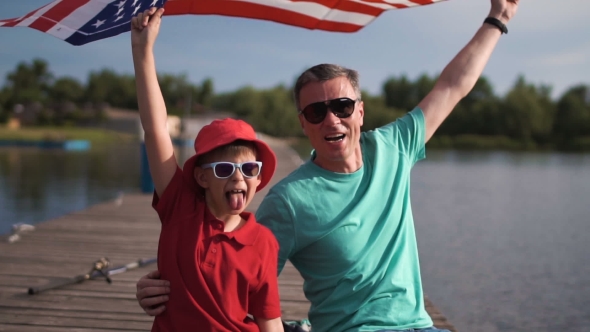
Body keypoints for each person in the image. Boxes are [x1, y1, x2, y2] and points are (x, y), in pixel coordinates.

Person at [135, 1, 519, 331]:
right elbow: (236, 268)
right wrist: (167, 284)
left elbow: (453, 86)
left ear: (361, 111)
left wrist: (497, 18)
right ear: (303, 123)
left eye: (342, 107)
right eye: (317, 111)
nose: (332, 120)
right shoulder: (290, 200)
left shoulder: (394, 147)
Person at [131, 7, 284, 332]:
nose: (238, 177)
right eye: (225, 168)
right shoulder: (180, 208)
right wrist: (142, 51)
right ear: (201, 177)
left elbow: (268, 317)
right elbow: (156, 129)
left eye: (248, 168)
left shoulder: (263, 242)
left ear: (258, 177)